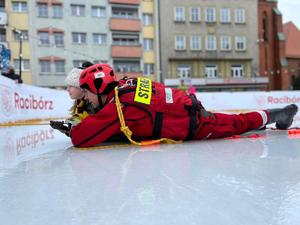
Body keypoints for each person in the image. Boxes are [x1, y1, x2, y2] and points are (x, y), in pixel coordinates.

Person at [50, 63, 298, 148]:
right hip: (188, 109)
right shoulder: (128, 85)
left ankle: (277, 114)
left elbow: (82, 139)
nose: (87, 99)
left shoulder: (119, 106)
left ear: (98, 88)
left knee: (237, 123)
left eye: (88, 93)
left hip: (193, 124)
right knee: (235, 121)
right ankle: (275, 114)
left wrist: (71, 128)